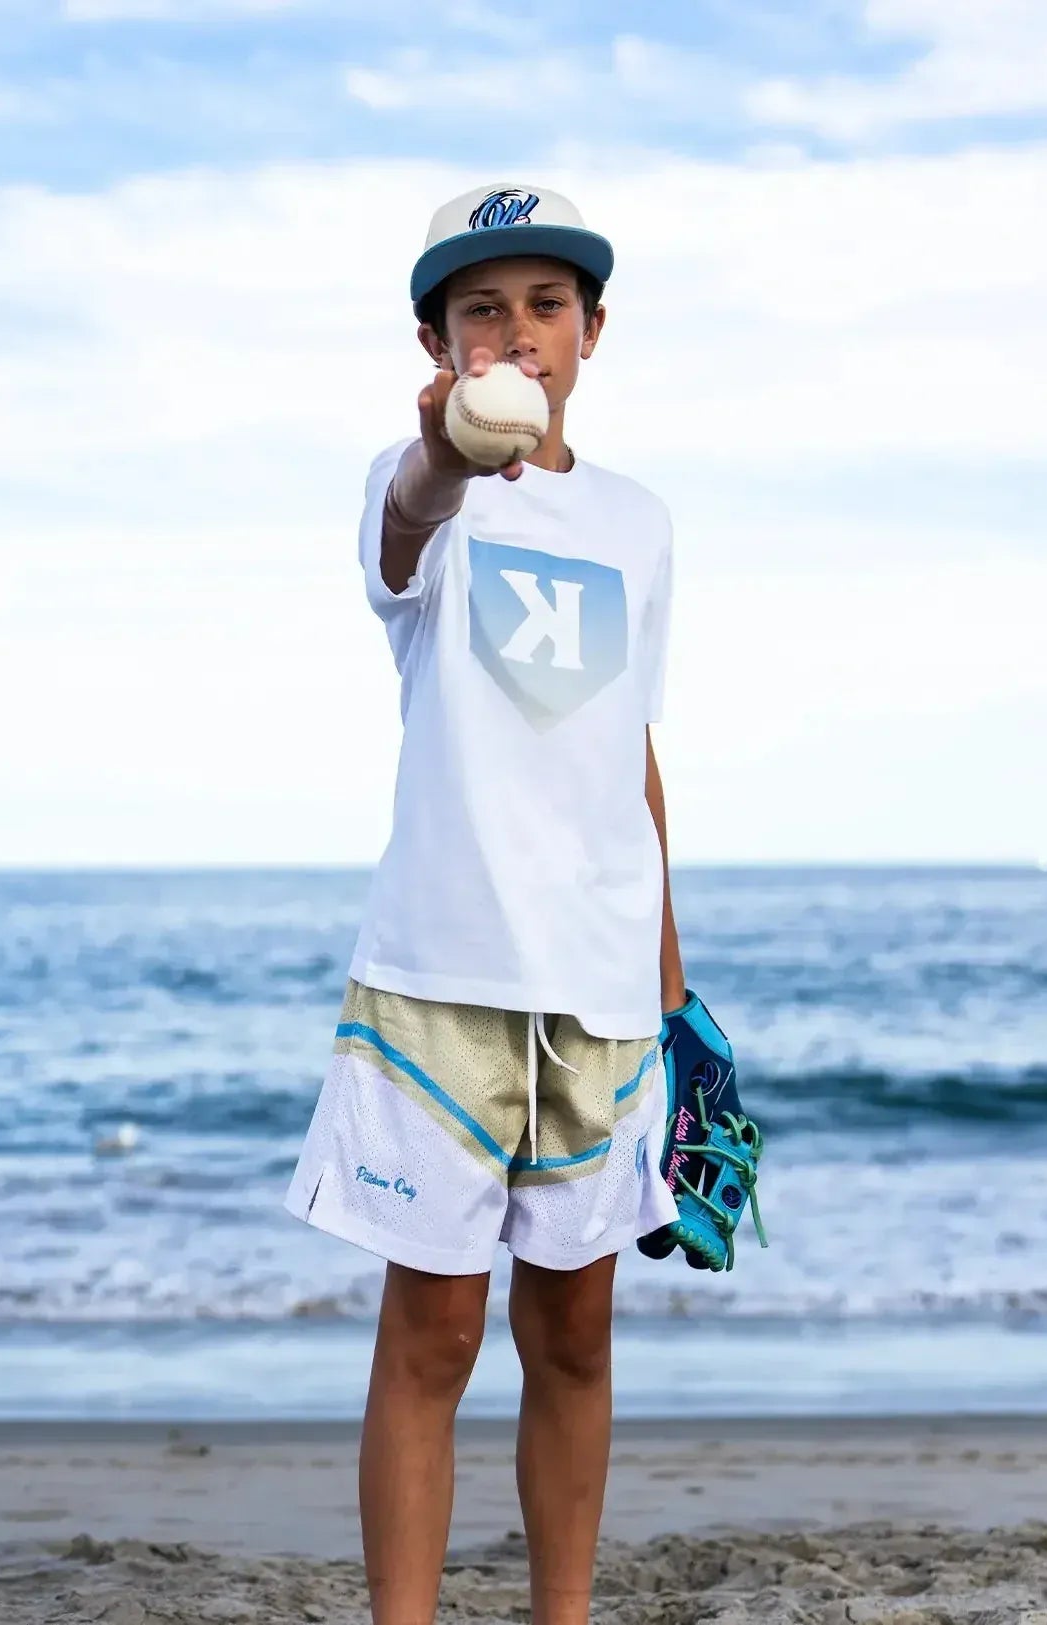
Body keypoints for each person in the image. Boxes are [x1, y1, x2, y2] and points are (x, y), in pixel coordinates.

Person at [284, 182, 688, 1625]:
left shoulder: (638, 522)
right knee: (436, 1331)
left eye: (544, 304)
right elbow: (409, 521)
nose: (517, 331)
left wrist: (675, 990)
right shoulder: (420, 489)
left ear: (591, 330)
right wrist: (441, 451)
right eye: (482, 309)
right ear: (437, 343)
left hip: (600, 990)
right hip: (441, 976)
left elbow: (632, 749)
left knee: (575, 1332)